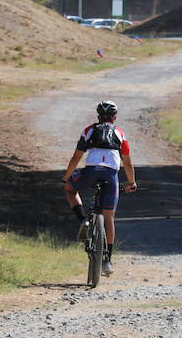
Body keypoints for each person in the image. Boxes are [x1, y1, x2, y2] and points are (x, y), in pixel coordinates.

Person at [61, 99, 137, 276]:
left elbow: (75, 157)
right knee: (109, 216)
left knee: (70, 189)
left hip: (90, 172)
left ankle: (83, 221)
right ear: (115, 117)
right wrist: (131, 182)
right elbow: (127, 162)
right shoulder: (120, 133)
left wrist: (66, 178)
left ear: (98, 116)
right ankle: (108, 261)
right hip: (111, 175)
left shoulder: (89, 130)